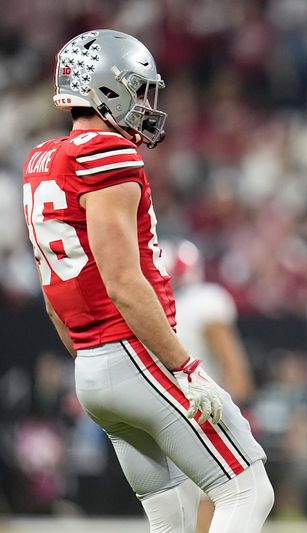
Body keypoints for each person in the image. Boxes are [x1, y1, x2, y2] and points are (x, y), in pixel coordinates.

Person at [21, 30, 272, 532]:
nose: (146, 104)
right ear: (107, 90)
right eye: (138, 89)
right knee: (247, 490)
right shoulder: (108, 154)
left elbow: (53, 300)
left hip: (91, 364)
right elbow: (122, 282)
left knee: (172, 514)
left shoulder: (41, 161)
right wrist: (184, 367)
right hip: (135, 353)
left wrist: (94, 364)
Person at [160, 238, 256, 532]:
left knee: (177, 502)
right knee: (219, 492)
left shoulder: (155, 307)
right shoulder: (207, 301)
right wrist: (241, 404)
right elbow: (234, 366)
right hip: (202, 411)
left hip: (164, 411)